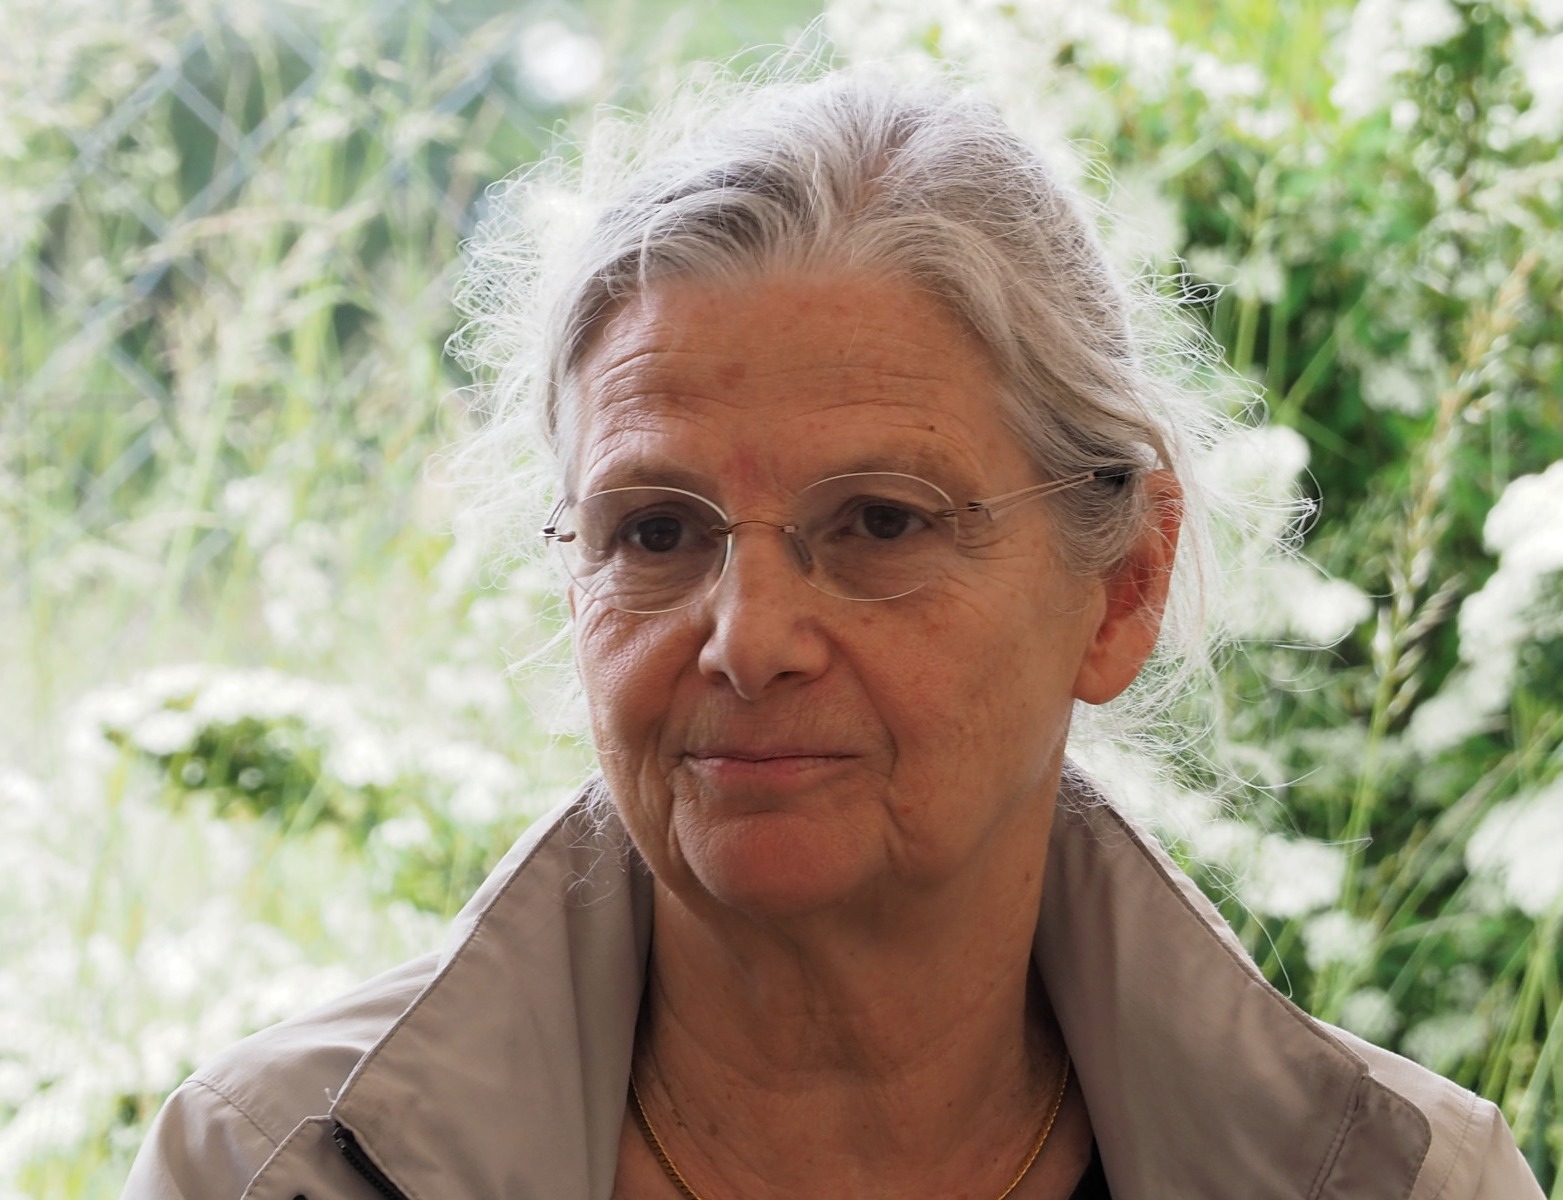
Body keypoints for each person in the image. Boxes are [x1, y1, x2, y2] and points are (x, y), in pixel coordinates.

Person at [121, 69, 1543, 1199]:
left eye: (879, 521)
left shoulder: (1398, 1182)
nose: (750, 641)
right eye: (656, 532)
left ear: (1122, 587)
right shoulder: (267, 1173)